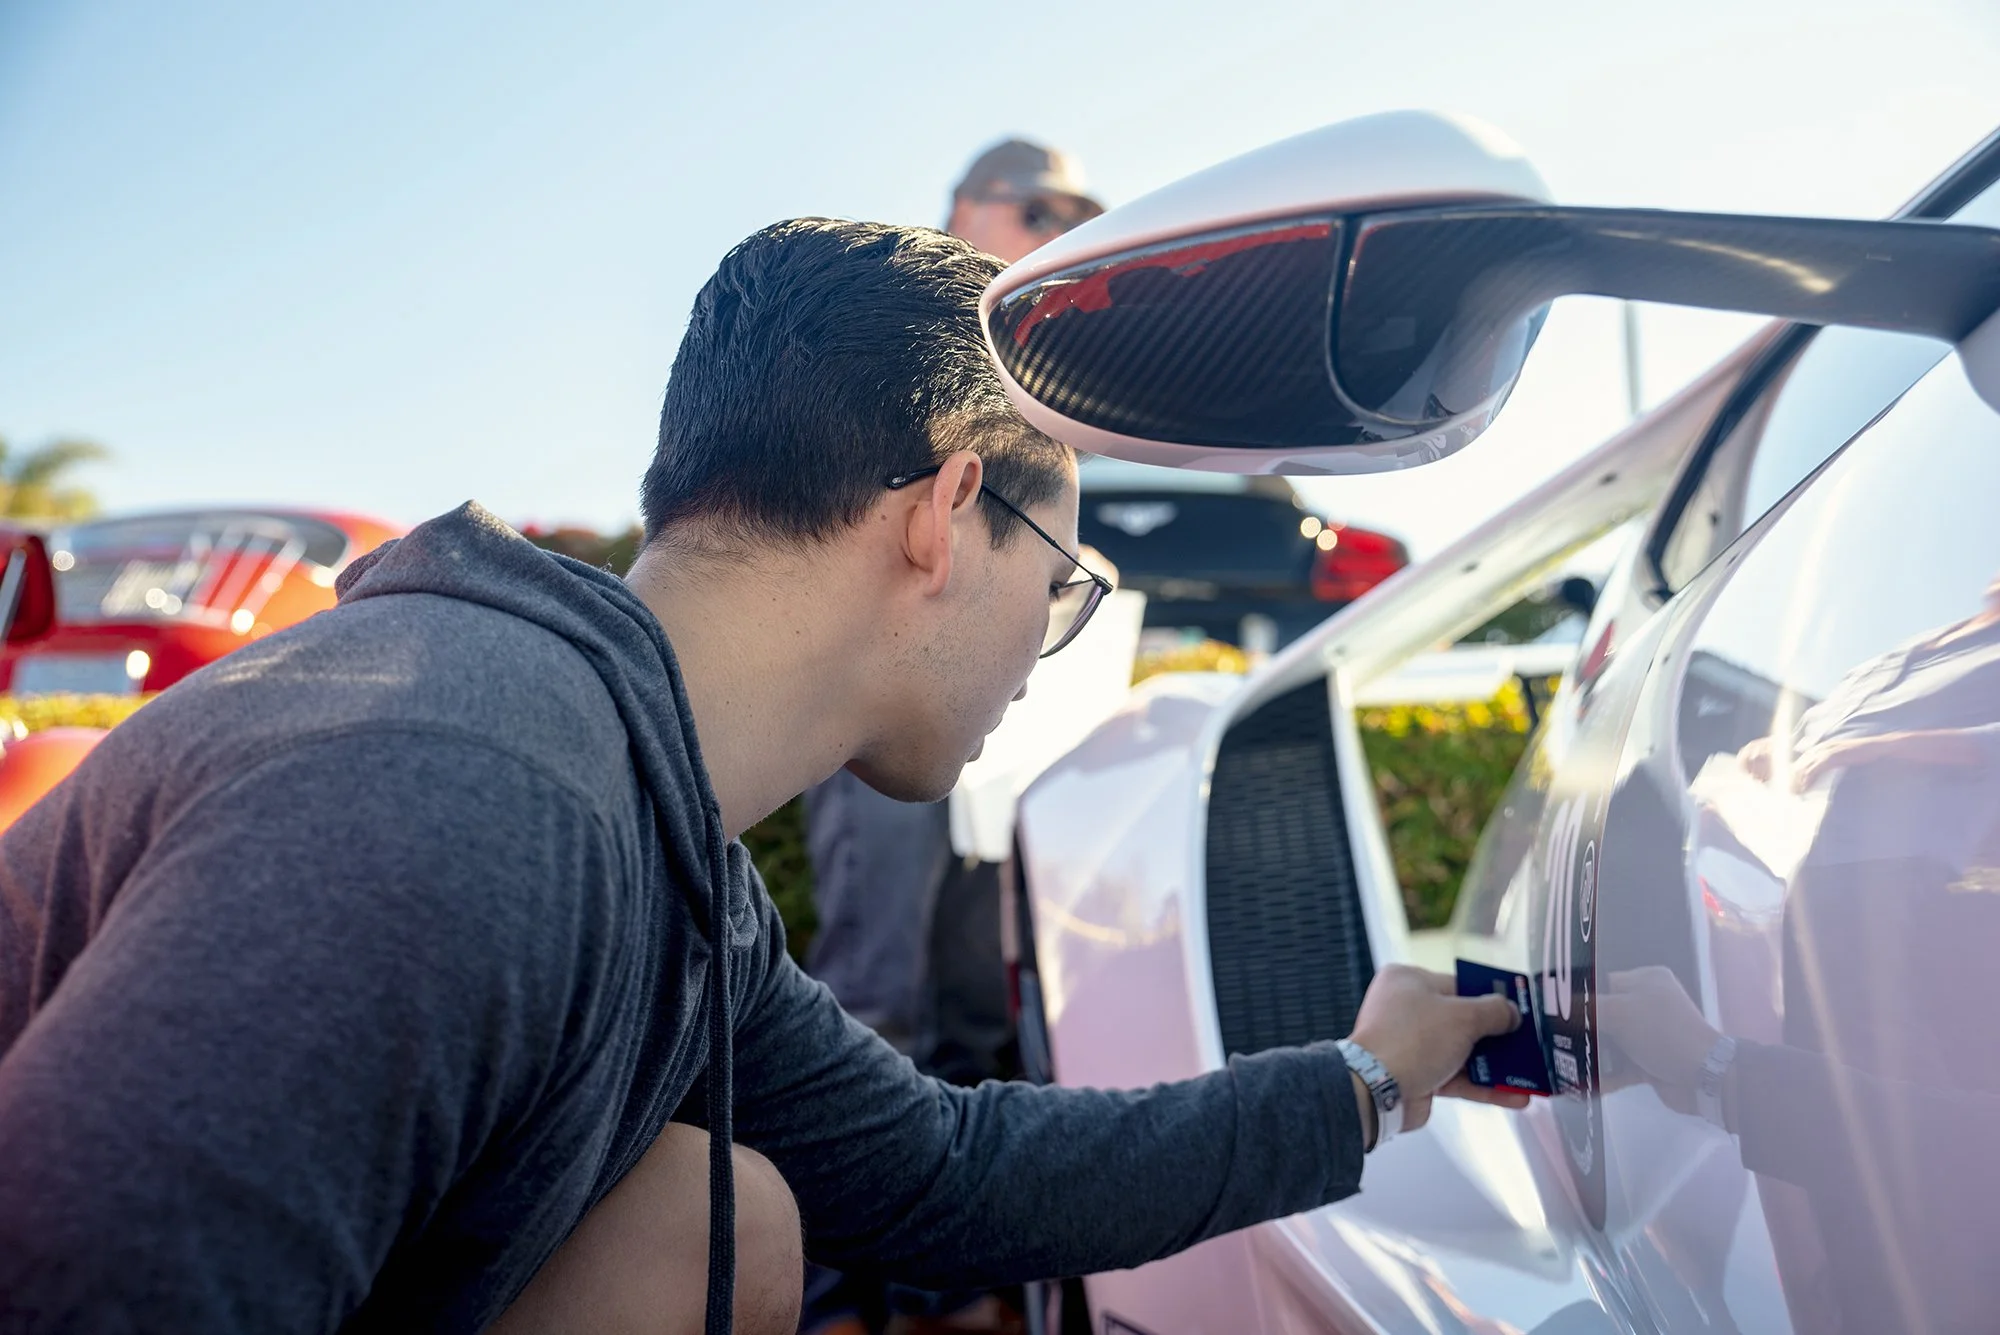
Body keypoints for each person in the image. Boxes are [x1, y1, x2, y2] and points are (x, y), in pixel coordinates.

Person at [0, 218, 1526, 1335]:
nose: (1047, 645)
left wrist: (1366, 1077)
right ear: (944, 513)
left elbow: (950, 1173)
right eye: (1060, 581)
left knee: (712, 1219)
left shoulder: (655, 840)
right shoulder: (457, 790)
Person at [797, 141, 1107, 1333]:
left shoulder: (1060, 362)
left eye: (1069, 216)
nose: (1048, 230)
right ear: (963, 208)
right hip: (883, 707)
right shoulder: (903, 326)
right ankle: (829, 1303)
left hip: (1005, 728)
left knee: (979, 1010)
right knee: (878, 999)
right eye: (1032, 208)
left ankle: (953, 1289)